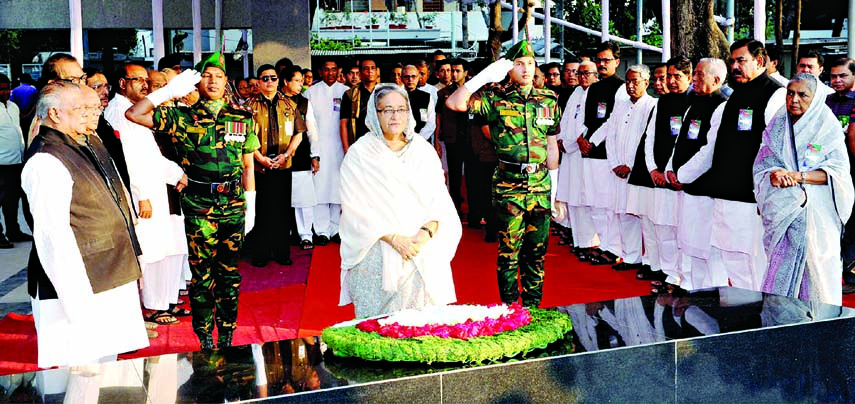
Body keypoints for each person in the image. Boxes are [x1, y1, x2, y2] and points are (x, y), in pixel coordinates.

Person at [126, 52, 259, 350]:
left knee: (229, 275)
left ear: (227, 82)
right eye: (206, 76)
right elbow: (134, 114)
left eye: (219, 76)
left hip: (234, 203)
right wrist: (168, 92)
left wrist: (251, 201)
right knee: (202, 276)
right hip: (199, 204)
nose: (212, 81)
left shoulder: (242, 116)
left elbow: (248, 164)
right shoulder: (181, 116)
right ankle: (203, 337)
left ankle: (227, 333)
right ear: (196, 83)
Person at [23, 82, 148, 368]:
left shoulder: (83, 141)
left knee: (106, 367)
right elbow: (53, 237)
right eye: (81, 108)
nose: (90, 114)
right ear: (54, 114)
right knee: (82, 373)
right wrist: (76, 302)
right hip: (81, 285)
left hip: (108, 272)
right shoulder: (46, 158)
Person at [447, 40, 561, 307]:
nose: (526, 69)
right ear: (508, 69)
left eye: (530, 64)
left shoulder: (549, 99)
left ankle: (533, 308)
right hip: (509, 186)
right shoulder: (494, 97)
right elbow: (455, 103)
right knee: (509, 252)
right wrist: (485, 75)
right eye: (518, 64)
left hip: (540, 185)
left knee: (537, 253)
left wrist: (554, 189)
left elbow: (552, 143)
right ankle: (510, 309)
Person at [670, 39, 785, 291]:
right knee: (731, 260)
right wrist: (683, 174)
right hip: (725, 195)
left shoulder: (775, 94)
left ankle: (760, 322)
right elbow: (711, 148)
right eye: (732, 61)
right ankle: (740, 318)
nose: (735, 66)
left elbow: (778, 150)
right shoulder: (731, 99)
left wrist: (766, 194)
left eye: (741, 60)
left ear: (760, 60)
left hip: (752, 197)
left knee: (754, 263)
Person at [339, 84, 461, 318]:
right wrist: (394, 239)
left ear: (409, 113)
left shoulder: (423, 151)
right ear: (375, 114)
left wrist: (423, 234)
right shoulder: (360, 153)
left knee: (422, 329)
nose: (395, 116)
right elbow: (354, 207)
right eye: (387, 110)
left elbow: (440, 202)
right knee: (379, 330)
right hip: (377, 245)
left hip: (421, 245)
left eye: (401, 109)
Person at [754, 73, 854, 305]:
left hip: (816, 215)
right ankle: (780, 323)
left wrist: (799, 177)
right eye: (790, 93)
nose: (794, 99)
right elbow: (763, 162)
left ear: (816, 97)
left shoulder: (826, 124)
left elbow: (838, 172)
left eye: (802, 94)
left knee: (816, 276)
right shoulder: (779, 122)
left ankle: (821, 328)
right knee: (779, 272)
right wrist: (773, 174)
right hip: (781, 211)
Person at [104, 63, 189, 325]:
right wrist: (141, 194)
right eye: (137, 80)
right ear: (122, 83)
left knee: (164, 247)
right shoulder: (119, 111)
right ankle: (153, 306)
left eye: (145, 80)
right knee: (151, 251)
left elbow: (150, 154)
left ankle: (164, 302)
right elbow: (128, 159)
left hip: (157, 185)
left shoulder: (133, 109)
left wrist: (178, 175)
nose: (144, 84)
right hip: (143, 191)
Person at [666, 58, 729, 290]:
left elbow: (708, 151)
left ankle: (710, 291)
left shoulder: (721, 105)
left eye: (700, 75)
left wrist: (682, 175)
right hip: (685, 183)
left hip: (704, 186)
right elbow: (680, 141)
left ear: (716, 79)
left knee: (707, 245)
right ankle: (690, 285)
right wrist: (671, 170)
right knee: (688, 241)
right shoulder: (694, 102)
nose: (694, 78)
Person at [629, 56, 692, 288]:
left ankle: (680, 276)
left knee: (679, 231)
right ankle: (666, 272)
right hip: (658, 177)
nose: (672, 82)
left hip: (680, 178)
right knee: (661, 227)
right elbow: (650, 137)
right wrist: (653, 168)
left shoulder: (693, 102)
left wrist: (671, 171)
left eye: (677, 76)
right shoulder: (662, 103)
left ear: (689, 77)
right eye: (670, 76)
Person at [588, 65, 657, 273]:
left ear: (646, 83)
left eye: (636, 81)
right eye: (628, 81)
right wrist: (615, 163)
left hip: (638, 171)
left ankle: (648, 261)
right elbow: (612, 136)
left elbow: (647, 141)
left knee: (642, 218)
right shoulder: (620, 105)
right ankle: (630, 257)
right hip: (617, 170)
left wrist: (631, 166)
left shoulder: (652, 106)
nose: (631, 85)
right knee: (622, 214)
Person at [245, 64, 304, 267]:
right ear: (258, 82)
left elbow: (299, 133)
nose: (269, 82)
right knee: (261, 211)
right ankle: (260, 253)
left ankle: (281, 252)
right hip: (258, 167)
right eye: (264, 78)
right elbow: (243, 136)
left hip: (283, 165)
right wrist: (260, 158)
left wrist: (287, 154)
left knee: (281, 210)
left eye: (273, 78)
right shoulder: (247, 106)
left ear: (278, 80)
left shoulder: (289, 105)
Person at [577, 41, 629, 266]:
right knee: (594, 203)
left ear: (617, 62)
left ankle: (613, 247)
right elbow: (585, 119)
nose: (602, 64)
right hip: (588, 153)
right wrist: (580, 138)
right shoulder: (593, 87)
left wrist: (592, 141)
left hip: (606, 154)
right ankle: (603, 243)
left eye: (607, 60)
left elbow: (612, 121)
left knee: (609, 205)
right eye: (599, 60)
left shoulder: (621, 88)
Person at [555, 61, 598, 257]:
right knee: (573, 198)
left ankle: (591, 243)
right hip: (569, 154)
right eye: (579, 74)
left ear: (595, 74)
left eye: (585, 73)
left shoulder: (596, 92)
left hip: (583, 154)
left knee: (585, 199)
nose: (581, 77)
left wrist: (571, 143)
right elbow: (565, 121)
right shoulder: (575, 93)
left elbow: (589, 124)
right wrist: (560, 140)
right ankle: (579, 240)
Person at [306, 60, 349, 247]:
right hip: (319, 146)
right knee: (321, 190)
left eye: (334, 69)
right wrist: (313, 152)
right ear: (320, 71)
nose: (330, 73)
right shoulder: (311, 92)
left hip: (341, 147)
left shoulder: (346, 91)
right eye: (326, 69)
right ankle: (322, 231)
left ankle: (336, 229)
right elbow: (310, 124)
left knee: (338, 190)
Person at [281, 66, 320, 251]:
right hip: (277, 157)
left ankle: (306, 235)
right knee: (280, 198)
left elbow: (312, 130)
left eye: (302, 80)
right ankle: (285, 233)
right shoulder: (276, 101)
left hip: (301, 155)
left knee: (304, 199)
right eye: (296, 80)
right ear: (285, 82)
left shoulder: (304, 103)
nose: (301, 84)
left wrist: (315, 155)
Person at [0, 73, 31, 249]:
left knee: (12, 200)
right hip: (1, 163)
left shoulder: (13, 106)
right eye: (1, 88)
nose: (5, 92)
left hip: (16, 161)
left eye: (7, 88)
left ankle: (14, 231)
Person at [340, 59, 378, 152]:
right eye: (366, 68)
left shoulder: (385, 92)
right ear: (360, 73)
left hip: (380, 143)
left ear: (377, 71)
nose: (370, 71)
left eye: (373, 68)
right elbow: (344, 124)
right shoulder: (350, 94)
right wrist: (346, 150)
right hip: (359, 143)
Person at [401, 65, 436, 142]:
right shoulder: (396, 96)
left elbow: (431, 123)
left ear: (418, 78)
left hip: (422, 141)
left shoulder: (426, 97)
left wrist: (417, 140)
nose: (410, 79)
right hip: (400, 141)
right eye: (406, 77)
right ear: (401, 78)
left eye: (413, 76)